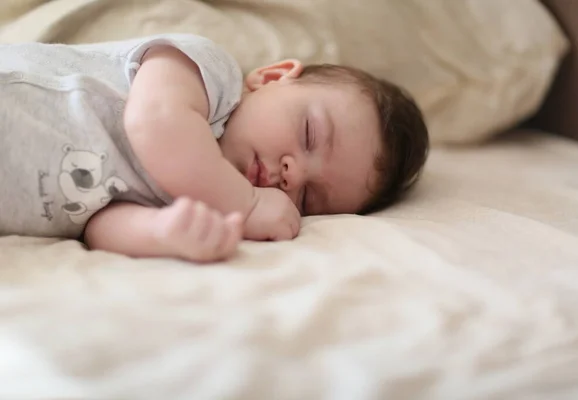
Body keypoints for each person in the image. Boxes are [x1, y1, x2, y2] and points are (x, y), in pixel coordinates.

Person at [0, 34, 429, 263]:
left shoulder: (199, 198)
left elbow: (99, 228)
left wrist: (167, 233)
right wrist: (244, 202)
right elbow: (154, 122)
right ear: (273, 76)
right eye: (309, 135)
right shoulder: (209, 76)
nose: (292, 173)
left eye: (307, 198)